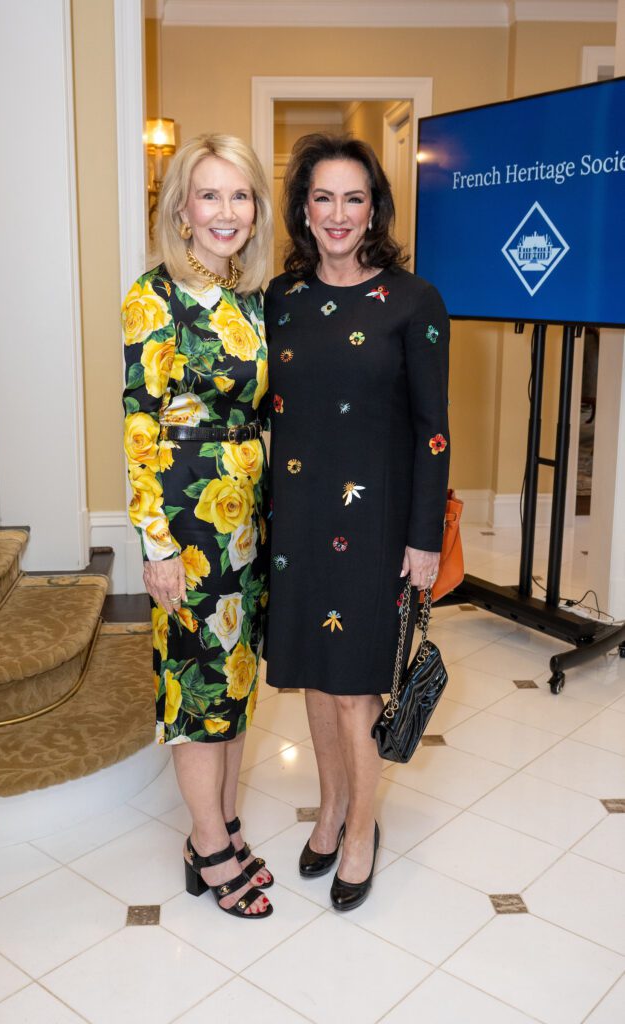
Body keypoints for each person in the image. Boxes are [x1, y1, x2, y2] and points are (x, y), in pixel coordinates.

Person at [264, 133, 450, 912]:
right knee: (311, 673)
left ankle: (364, 829)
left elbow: (432, 430)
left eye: (353, 197)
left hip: (374, 521)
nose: (337, 214)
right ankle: (331, 805)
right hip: (297, 516)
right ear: (302, 209)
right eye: (322, 197)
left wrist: (421, 538)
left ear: (373, 208)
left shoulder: (413, 300)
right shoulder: (280, 297)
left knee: (355, 690)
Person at [122, 134, 274, 919]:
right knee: (194, 686)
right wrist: (155, 545)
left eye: (239, 196)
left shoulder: (253, 300)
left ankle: (223, 822)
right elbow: (139, 426)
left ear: (256, 210)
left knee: (236, 680)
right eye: (209, 195)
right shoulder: (153, 296)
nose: (225, 212)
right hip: (186, 519)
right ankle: (208, 846)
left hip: (249, 519)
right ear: (181, 208)